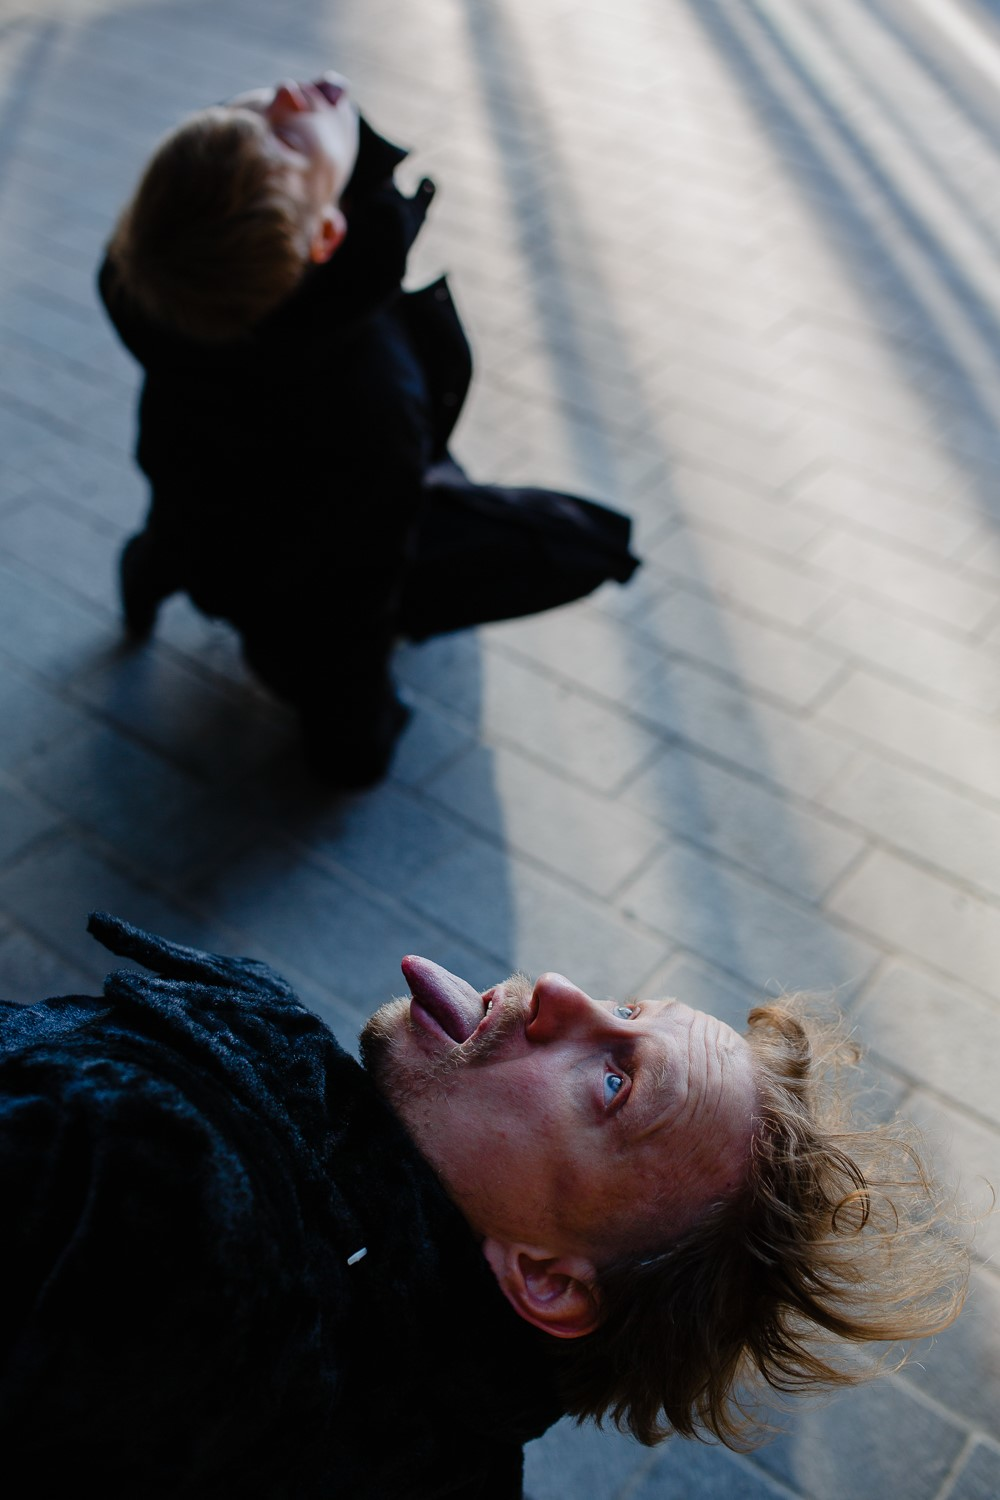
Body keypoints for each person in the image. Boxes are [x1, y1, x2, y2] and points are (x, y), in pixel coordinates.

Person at [0, 913, 968, 1498]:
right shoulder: (444, 1459)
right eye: (626, 1011)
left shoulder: (143, 1167)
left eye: (614, 1084)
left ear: (544, 1276)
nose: (560, 991)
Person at [96, 73, 640, 788]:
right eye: (284, 139)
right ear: (326, 235)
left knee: (201, 532)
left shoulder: (159, 276)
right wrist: (356, 713)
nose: (285, 96)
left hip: (199, 510)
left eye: (241, 112)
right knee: (583, 544)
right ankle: (332, 724)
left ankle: (154, 570)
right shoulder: (371, 393)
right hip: (311, 574)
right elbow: (362, 574)